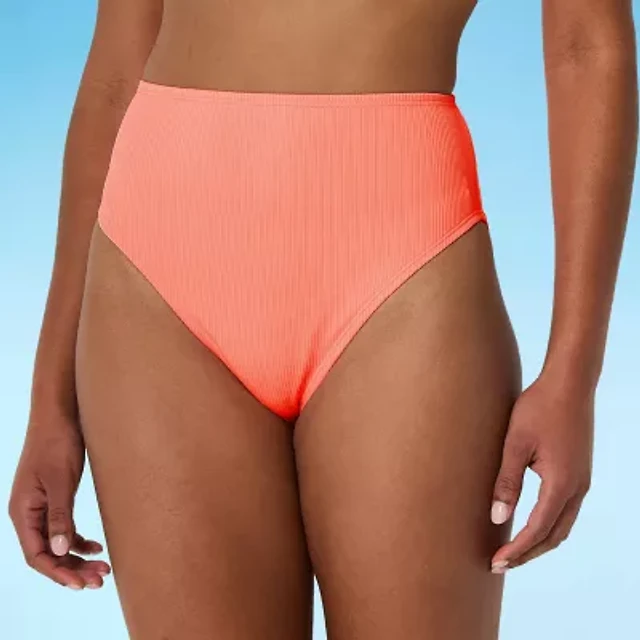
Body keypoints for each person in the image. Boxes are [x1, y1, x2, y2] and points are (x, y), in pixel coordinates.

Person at [8, 1, 637, 638]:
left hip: (403, 264)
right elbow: (117, 69)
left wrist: (572, 376)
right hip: (154, 271)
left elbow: (585, 43)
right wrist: (50, 403)